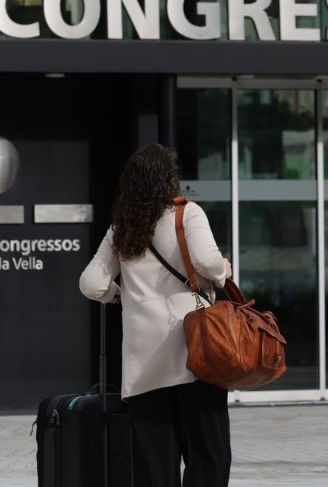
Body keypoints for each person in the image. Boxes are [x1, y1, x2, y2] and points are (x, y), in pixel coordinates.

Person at [80, 143, 233, 486]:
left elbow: (90, 284)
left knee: (154, 466)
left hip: (145, 363)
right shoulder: (186, 213)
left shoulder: (121, 229)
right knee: (209, 453)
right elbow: (208, 263)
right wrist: (223, 271)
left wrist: (119, 294)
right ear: (169, 180)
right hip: (197, 353)